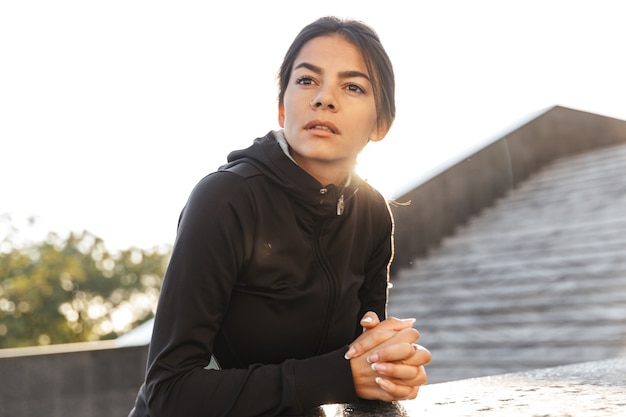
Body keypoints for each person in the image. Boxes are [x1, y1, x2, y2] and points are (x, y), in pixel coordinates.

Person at [128, 16, 431, 417]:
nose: (324, 98)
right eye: (307, 81)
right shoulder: (224, 199)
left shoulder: (373, 214)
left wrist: (393, 365)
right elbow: (168, 392)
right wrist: (340, 377)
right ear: (281, 109)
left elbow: (364, 361)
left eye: (352, 86)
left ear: (381, 125)